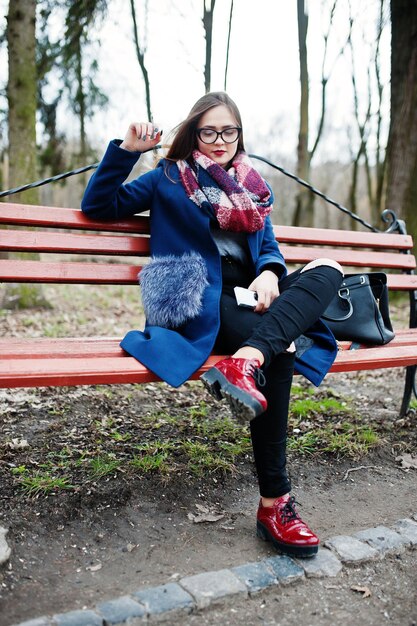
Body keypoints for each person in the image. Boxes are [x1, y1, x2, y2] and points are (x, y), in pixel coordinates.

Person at [81, 92, 344, 558]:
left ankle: (245, 360)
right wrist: (127, 152)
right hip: (197, 299)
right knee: (280, 349)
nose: (220, 140)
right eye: (209, 131)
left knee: (328, 268)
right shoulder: (167, 178)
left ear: (239, 133)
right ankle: (275, 504)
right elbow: (100, 205)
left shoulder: (252, 187)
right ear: (193, 132)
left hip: (250, 301)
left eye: (229, 131)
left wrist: (268, 271)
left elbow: (270, 249)